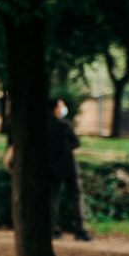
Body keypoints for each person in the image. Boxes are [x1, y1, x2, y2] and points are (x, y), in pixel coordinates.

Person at [48, 97, 92, 242]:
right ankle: (80, 230)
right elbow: (76, 143)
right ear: (55, 108)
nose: (63, 108)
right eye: (61, 106)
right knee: (76, 197)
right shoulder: (65, 126)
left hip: (52, 168)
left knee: (53, 199)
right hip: (68, 167)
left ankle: (54, 230)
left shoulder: (44, 127)